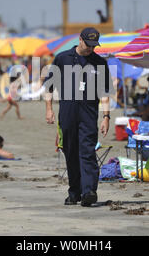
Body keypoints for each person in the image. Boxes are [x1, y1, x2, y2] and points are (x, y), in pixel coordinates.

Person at [44, 27, 113, 207]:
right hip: (67, 112)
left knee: (88, 151)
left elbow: (105, 92)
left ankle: (89, 191)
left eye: (94, 45)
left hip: (89, 113)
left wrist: (106, 116)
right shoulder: (62, 58)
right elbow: (49, 87)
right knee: (70, 151)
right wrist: (49, 109)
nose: (91, 48)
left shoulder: (100, 63)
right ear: (80, 40)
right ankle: (74, 191)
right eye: (88, 44)